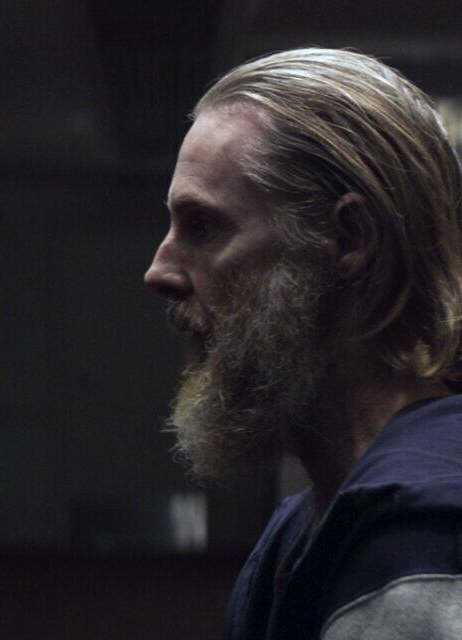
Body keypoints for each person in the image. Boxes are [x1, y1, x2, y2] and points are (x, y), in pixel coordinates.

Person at [145, 48, 462, 640]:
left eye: (203, 226)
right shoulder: (313, 521)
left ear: (347, 238)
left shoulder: (424, 536)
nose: (158, 272)